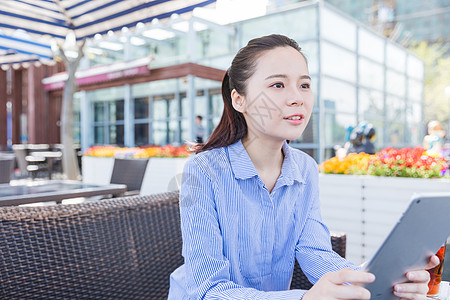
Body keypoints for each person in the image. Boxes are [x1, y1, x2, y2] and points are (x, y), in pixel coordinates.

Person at [168, 34, 438, 299]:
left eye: (304, 85)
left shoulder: (305, 169)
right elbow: (206, 289)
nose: (297, 98)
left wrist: (375, 283)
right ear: (240, 100)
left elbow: (315, 252)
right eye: (277, 85)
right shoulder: (203, 171)